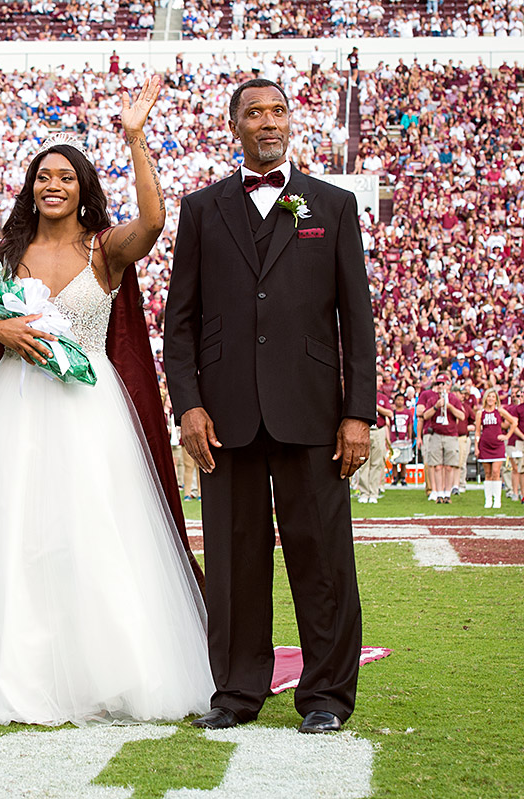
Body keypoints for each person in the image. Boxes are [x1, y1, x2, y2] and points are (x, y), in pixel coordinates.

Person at [0, 77, 214, 727]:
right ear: (31, 187)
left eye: (66, 176)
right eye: (43, 175)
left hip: (88, 412)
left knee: (94, 536)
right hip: (14, 412)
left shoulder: (105, 250)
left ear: (82, 188)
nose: (54, 184)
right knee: (18, 536)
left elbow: (156, 221)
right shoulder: (4, 258)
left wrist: (135, 139)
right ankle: (21, 670)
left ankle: (108, 672)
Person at [165, 78, 376, 735]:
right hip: (224, 418)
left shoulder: (334, 205)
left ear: (291, 120)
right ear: (235, 127)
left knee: (323, 556)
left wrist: (359, 411)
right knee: (233, 559)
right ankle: (235, 691)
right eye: (254, 112)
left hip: (314, 413)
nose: (268, 121)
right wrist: (189, 405)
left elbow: (357, 320)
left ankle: (327, 695)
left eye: (278, 110)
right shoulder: (201, 209)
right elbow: (181, 322)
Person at [418, 372, 464, 503]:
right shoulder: (433, 399)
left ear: (448, 385)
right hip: (436, 434)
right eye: (438, 384)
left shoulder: (454, 398)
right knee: (437, 466)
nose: (440, 386)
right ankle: (438, 492)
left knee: (449, 466)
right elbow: (425, 416)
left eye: (442, 384)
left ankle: (447, 493)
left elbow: (461, 416)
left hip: (450, 434)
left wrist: (449, 406)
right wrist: (436, 406)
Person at [474, 389, 519, 509]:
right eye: (489, 396)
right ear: (485, 398)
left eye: (493, 397)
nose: (490, 399)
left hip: (497, 446)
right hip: (485, 445)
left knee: (496, 472)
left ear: (496, 399)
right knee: (487, 473)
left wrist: (507, 436)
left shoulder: (500, 411)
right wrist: (477, 447)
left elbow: (513, 422)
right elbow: (478, 431)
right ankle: (488, 500)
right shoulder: (480, 413)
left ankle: (497, 501)